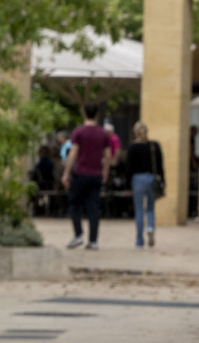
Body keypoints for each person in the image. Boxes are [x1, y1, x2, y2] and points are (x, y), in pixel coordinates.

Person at [62, 104, 121, 249]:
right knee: (93, 208)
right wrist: (105, 171)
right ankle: (93, 241)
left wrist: (66, 172)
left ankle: (78, 235)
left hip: (80, 173)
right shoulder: (102, 134)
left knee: (75, 205)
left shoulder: (78, 132)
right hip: (96, 175)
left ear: (84, 114)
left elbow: (73, 153)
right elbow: (108, 155)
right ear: (97, 115)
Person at [125, 119, 164, 247]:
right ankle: (151, 227)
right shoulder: (154, 145)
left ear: (135, 132)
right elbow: (160, 166)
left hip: (137, 180)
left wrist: (127, 185)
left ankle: (139, 240)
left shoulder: (132, 147)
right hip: (152, 179)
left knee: (139, 210)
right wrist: (163, 182)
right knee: (151, 208)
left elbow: (129, 168)